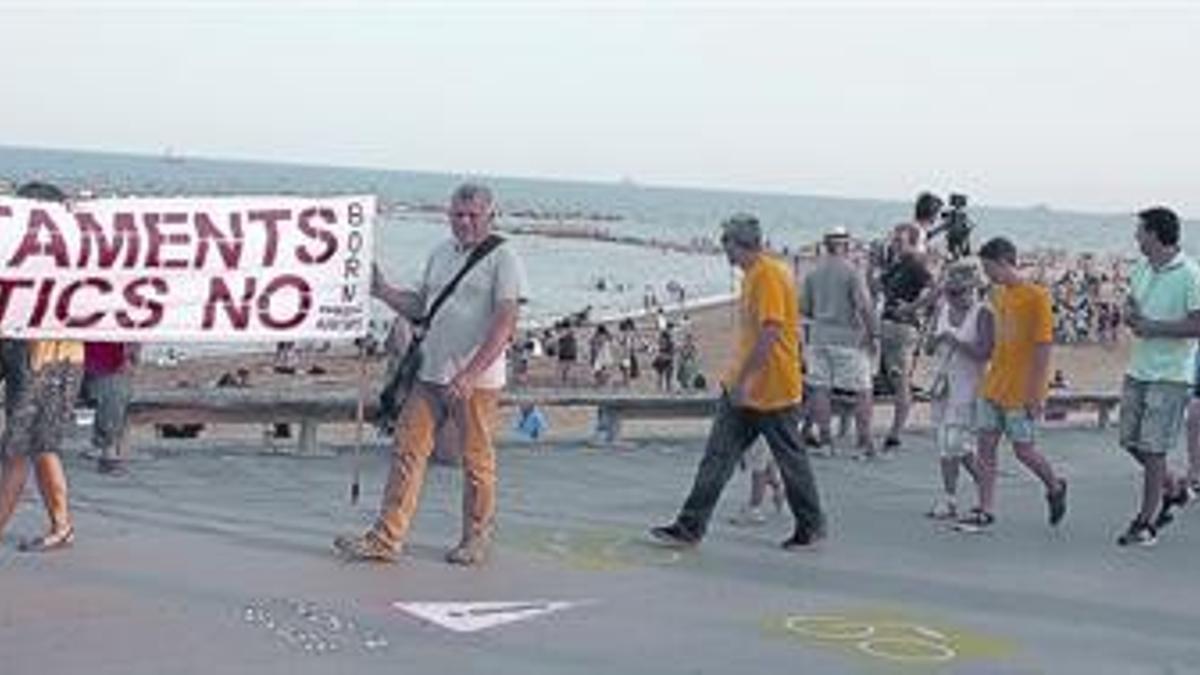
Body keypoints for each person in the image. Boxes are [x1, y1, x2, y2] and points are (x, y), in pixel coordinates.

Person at [334, 183, 527, 565]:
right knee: (407, 452)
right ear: (448, 215)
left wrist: (471, 374)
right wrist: (383, 290)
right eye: (458, 215)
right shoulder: (440, 253)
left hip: (475, 382)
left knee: (476, 461)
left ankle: (475, 538)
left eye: (473, 215)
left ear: (491, 216)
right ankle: (386, 539)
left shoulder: (504, 258)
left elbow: (505, 323)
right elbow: (421, 306)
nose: (465, 222)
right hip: (429, 373)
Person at [650, 213, 825, 551]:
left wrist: (746, 379)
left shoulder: (768, 276)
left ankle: (811, 524)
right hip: (746, 389)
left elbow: (771, 332)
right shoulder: (754, 276)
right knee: (718, 457)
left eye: (725, 243)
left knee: (791, 460)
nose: (723, 250)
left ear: (737, 243)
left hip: (771, 389)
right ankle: (690, 526)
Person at [956, 237, 1068, 532]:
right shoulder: (998, 294)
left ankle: (1055, 485)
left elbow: (1043, 347)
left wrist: (1036, 393)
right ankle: (985, 507)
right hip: (995, 382)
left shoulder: (1037, 297)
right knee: (986, 447)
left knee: (1023, 450)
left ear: (1005, 262)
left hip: (1022, 388)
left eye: (990, 267)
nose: (987, 273)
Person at [0, 181, 87, 552]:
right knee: (40, 447)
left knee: (19, 449)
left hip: (50, 360)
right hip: (40, 356)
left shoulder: (56, 260)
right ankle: (62, 525)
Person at [1115, 207, 1200, 546]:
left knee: (1153, 448)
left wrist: (1155, 328)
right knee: (1129, 441)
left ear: (1155, 234)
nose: (1136, 237)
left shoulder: (1191, 274)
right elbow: (1131, 302)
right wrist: (1130, 314)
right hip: (1139, 368)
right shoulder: (1141, 269)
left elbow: (1197, 323)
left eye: (1140, 231)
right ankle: (1176, 487)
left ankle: (1145, 523)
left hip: (1171, 373)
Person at [801, 226, 879, 457]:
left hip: (819, 337)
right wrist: (873, 333)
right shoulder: (852, 272)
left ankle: (826, 441)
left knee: (820, 389)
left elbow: (805, 308)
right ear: (845, 245)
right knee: (862, 390)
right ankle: (865, 442)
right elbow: (864, 305)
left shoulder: (813, 273)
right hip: (848, 338)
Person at [923, 259, 991, 519]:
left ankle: (978, 488)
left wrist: (955, 341)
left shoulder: (982, 313)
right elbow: (929, 347)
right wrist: (936, 339)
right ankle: (957, 494)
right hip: (943, 383)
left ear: (973, 290)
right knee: (947, 445)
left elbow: (985, 352)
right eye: (950, 292)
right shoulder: (942, 309)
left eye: (960, 292)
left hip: (969, 386)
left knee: (954, 443)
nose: (954, 298)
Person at [876, 223, 935, 450]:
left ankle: (895, 432)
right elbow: (878, 286)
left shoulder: (915, 264)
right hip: (889, 324)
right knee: (889, 378)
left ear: (912, 242)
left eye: (899, 241)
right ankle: (893, 430)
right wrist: (874, 264)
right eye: (894, 240)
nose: (894, 244)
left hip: (902, 327)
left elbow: (936, 288)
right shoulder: (898, 264)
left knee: (900, 381)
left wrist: (912, 307)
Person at [83, 341, 140, 475]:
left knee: (116, 387)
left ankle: (108, 448)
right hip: (59, 355)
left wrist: (130, 354)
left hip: (103, 361)